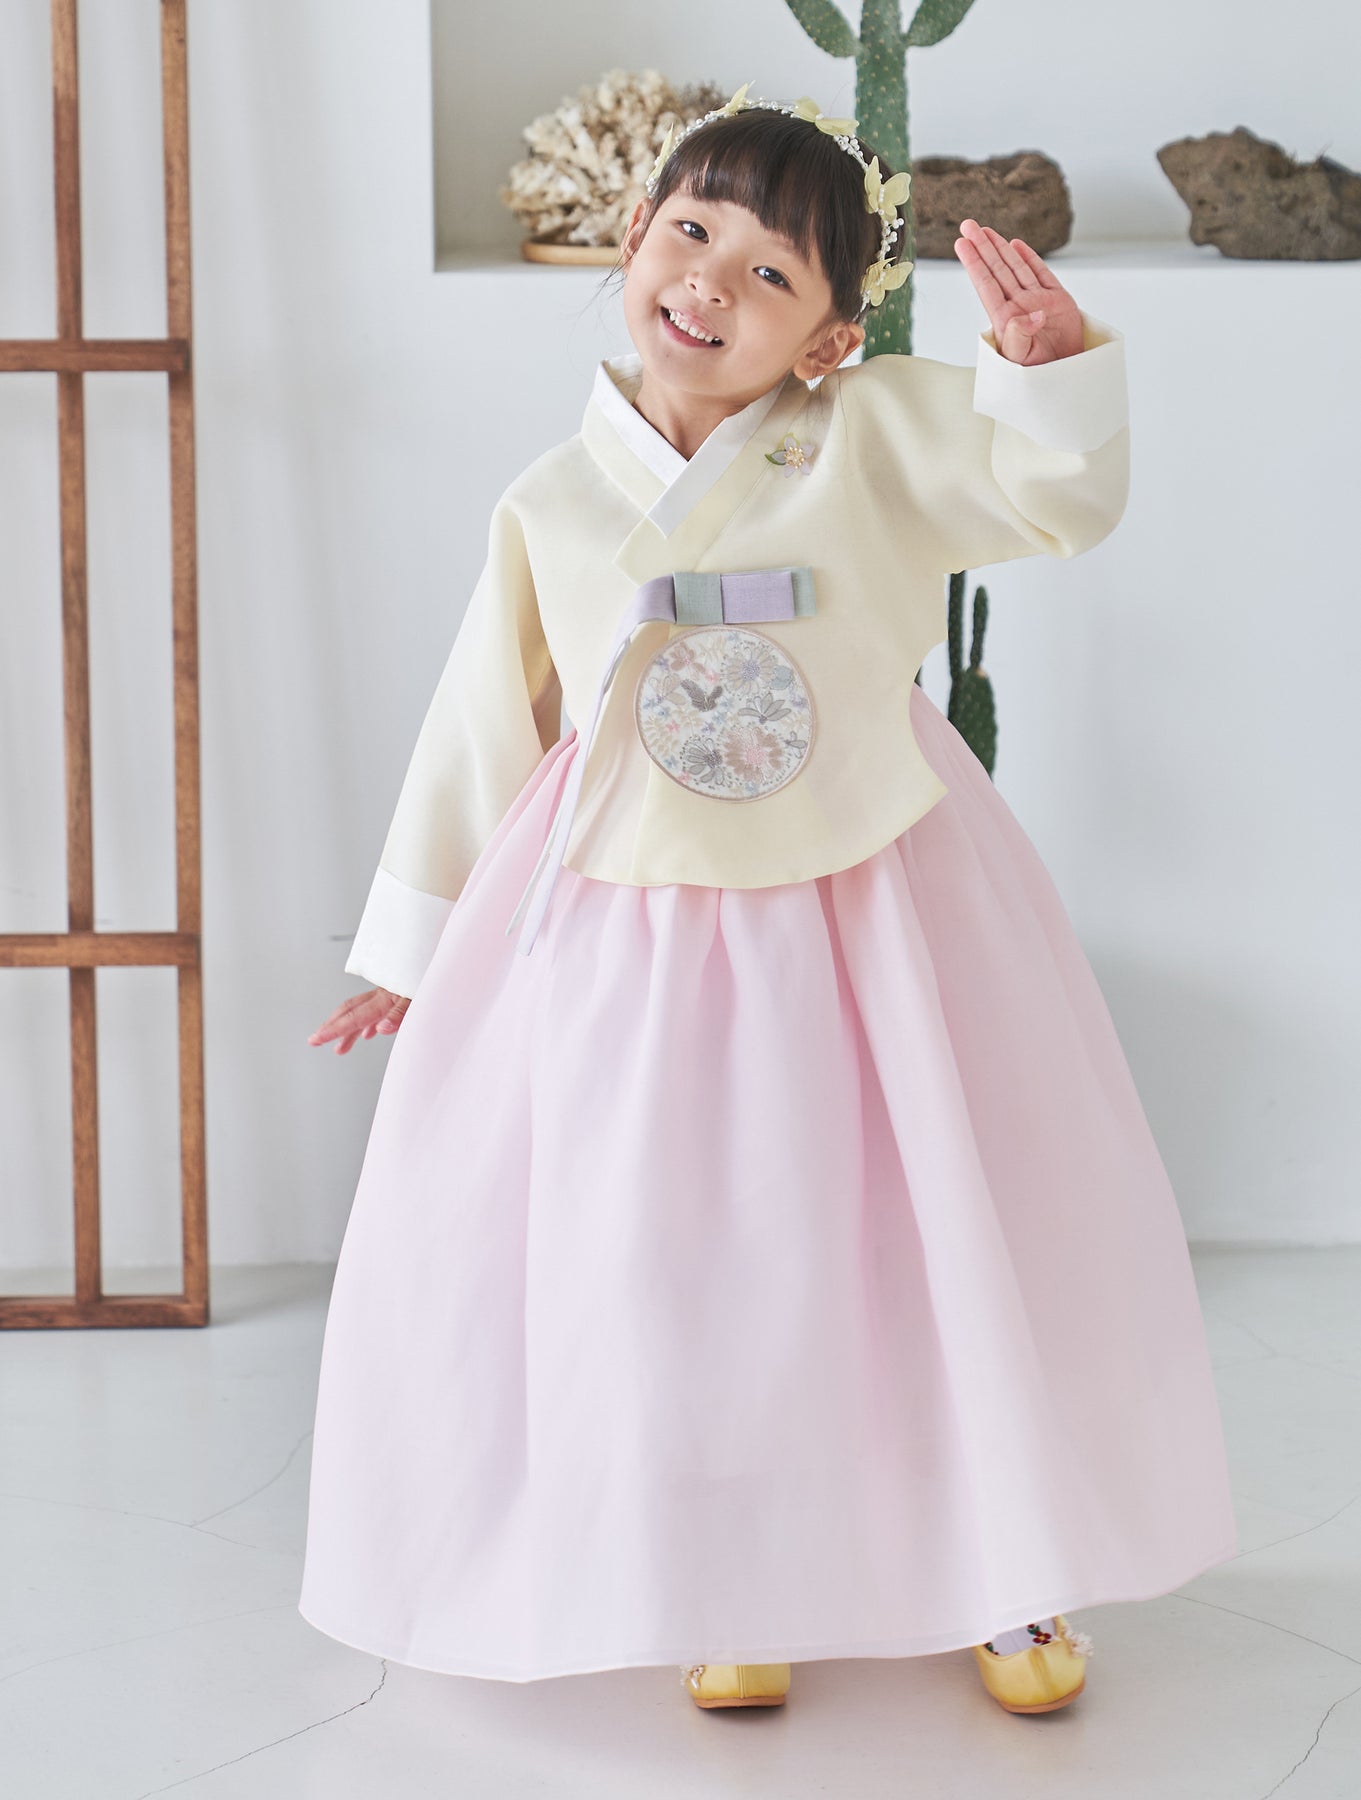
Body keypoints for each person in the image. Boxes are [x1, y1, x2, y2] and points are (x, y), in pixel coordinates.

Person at [297, 87, 1237, 1715]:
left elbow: (1050, 496)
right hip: (638, 925)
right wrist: (414, 947)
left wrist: (1043, 370)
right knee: (686, 1254)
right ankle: (732, 1575)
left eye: (772, 275)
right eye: (691, 232)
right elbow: (485, 726)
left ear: (830, 337)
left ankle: (1001, 1567)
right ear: (632, 237)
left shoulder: (870, 436)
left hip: (877, 897)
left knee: (935, 1226)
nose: (710, 285)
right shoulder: (550, 500)